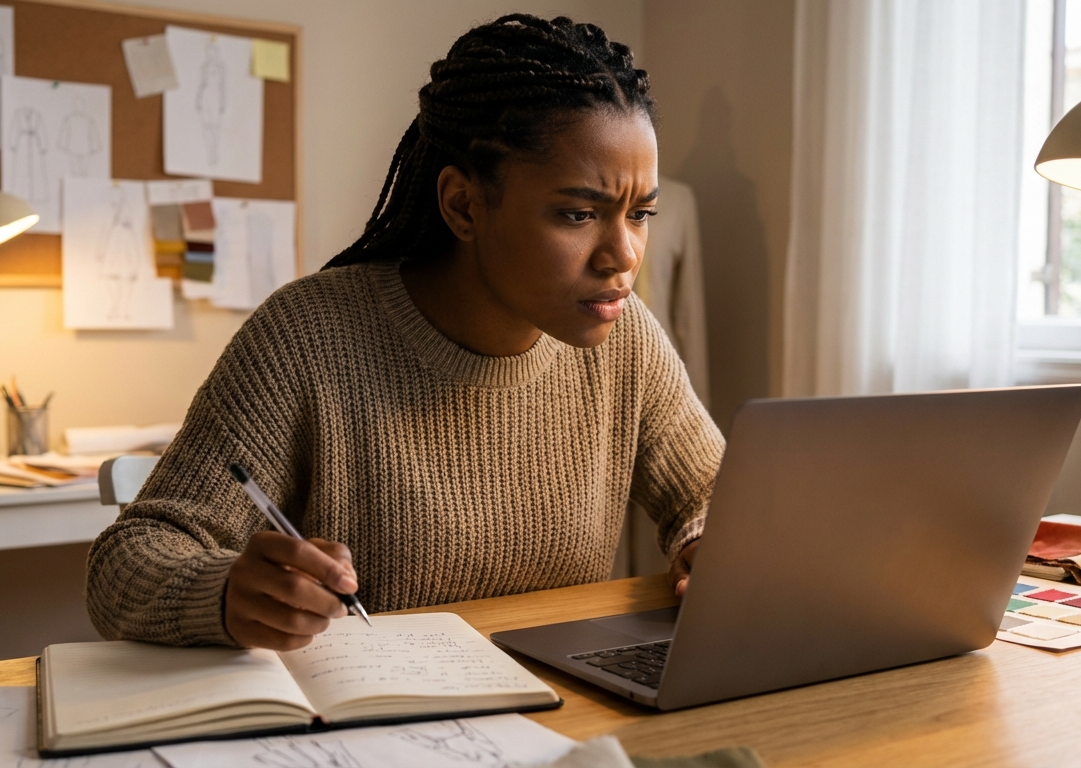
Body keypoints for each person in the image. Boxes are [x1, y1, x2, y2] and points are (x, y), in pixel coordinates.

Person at [86, 14, 724, 652]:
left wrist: (707, 543)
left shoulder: (623, 335)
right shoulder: (307, 338)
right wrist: (224, 592)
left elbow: (716, 494)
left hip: (560, 712)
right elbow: (128, 561)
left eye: (640, 214)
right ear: (463, 205)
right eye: (579, 214)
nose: (622, 256)